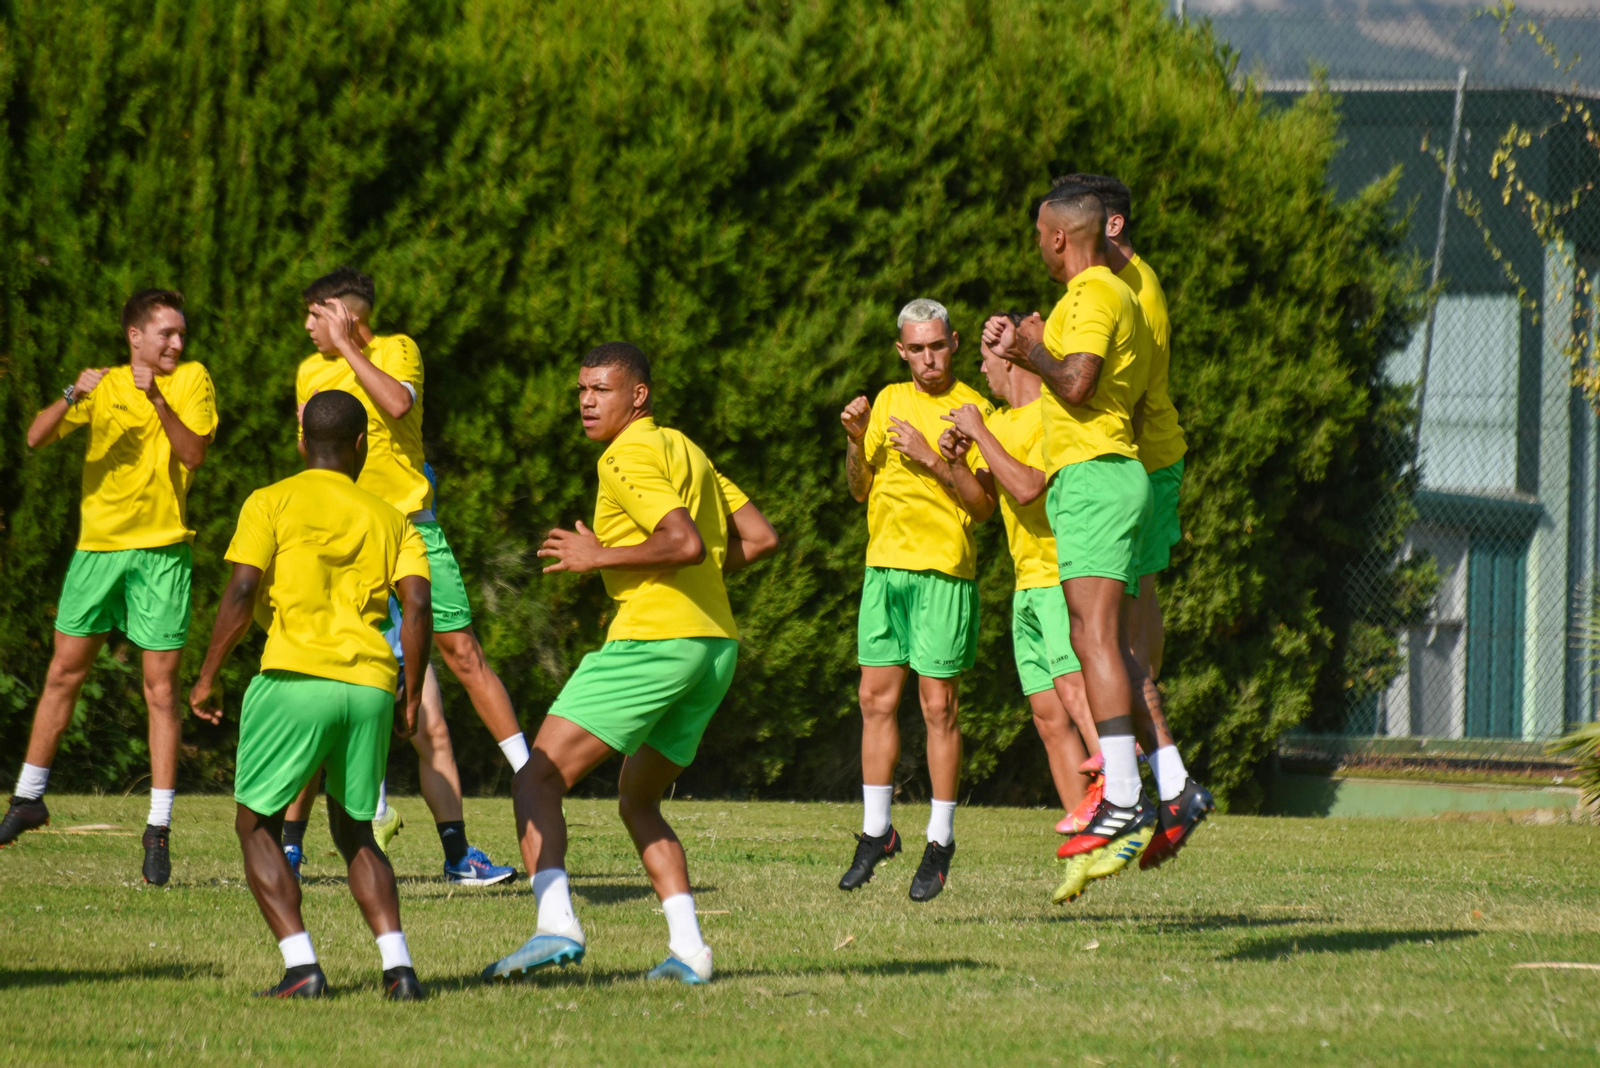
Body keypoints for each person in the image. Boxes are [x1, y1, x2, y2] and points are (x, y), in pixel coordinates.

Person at [482, 342, 777, 986]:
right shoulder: (687, 451)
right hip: (712, 648)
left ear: (637, 395)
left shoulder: (627, 454)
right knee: (637, 800)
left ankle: (555, 925)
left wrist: (600, 558)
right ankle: (690, 951)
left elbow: (684, 542)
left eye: (602, 390)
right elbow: (758, 537)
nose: (587, 402)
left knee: (535, 781)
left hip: (654, 643)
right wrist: (688, 574)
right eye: (581, 390)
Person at [188, 390, 430, 1001]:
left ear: (302, 442)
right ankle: (399, 971)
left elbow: (243, 593)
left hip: (295, 679)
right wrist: (410, 694)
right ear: (362, 445)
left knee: (256, 826)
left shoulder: (271, 501)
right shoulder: (390, 518)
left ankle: (302, 967)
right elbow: (420, 605)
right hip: (371, 685)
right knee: (355, 831)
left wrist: (208, 673)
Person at [1, 290, 217, 885]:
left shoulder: (193, 379)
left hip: (161, 552)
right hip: (97, 551)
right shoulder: (101, 386)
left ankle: (158, 827)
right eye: (166, 333)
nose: (177, 343)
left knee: (160, 689)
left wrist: (157, 399)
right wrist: (74, 392)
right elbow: (35, 438)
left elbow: (194, 453)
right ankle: (28, 798)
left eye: (181, 333)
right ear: (135, 337)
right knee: (62, 674)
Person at [983, 184, 1159, 903]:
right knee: (1078, 669)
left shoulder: (1090, 296)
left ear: (1058, 238)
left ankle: (1131, 794)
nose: (1038, 245)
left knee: (1094, 651)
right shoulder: (1110, 294)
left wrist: (1031, 353)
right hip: (1080, 510)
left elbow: (1078, 385)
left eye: (1038, 234)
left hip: (1093, 491)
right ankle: (1118, 801)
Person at [296, 267, 531, 779]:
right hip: (346, 538)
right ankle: (357, 806)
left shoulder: (397, 348)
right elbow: (308, 451)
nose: (308, 326)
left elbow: (399, 403)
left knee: (462, 652)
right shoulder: (308, 372)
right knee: (339, 666)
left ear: (345, 314)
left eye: (316, 314)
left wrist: (350, 348)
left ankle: (529, 770)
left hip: (410, 527)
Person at [1054, 173, 1213, 868]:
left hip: (1133, 468)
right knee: (1109, 640)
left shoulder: (1127, 290)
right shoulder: (1113, 285)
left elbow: (1126, 398)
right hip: (1134, 470)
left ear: (1109, 227)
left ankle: (1132, 789)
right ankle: (1168, 783)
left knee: (1114, 643)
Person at [280, 465, 516, 887]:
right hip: (347, 643)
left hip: (397, 642)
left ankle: (458, 857)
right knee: (318, 743)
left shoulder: (407, 531)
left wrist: (412, 665)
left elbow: (418, 606)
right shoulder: (335, 521)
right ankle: (290, 853)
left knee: (434, 731)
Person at [836, 299, 995, 902]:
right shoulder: (887, 400)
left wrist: (933, 460)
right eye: (916, 349)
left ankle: (941, 839)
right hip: (884, 570)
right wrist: (856, 440)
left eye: (938, 346)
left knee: (938, 709)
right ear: (901, 351)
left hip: (944, 573)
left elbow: (983, 508)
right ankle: (877, 832)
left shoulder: (973, 411)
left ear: (954, 343)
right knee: (874, 700)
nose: (929, 358)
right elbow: (860, 490)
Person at [939, 324, 1100, 833]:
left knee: (1076, 696)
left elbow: (1029, 487)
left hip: (1058, 577)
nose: (981, 369)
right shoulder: (1001, 422)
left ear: (1008, 359)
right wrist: (956, 461)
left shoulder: (1053, 416)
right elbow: (984, 504)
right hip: (1025, 584)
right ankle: (1088, 833)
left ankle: (1123, 797)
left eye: (986, 359)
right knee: (1048, 718)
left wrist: (980, 433)